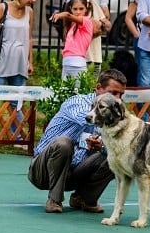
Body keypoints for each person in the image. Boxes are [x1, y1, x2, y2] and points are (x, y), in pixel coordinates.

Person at [28, 69, 127, 214]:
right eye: (113, 93)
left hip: (75, 173)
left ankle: (84, 199)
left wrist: (102, 146)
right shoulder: (78, 102)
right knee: (63, 143)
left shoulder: (114, 113)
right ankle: (54, 200)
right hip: (43, 171)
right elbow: (87, 118)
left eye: (121, 95)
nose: (118, 98)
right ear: (98, 88)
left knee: (116, 153)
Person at [50, 0, 94, 80]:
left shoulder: (87, 21)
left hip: (78, 65)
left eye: (81, 9)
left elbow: (68, 15)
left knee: (78, 92)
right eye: (75, 9)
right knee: (65, 92)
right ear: (71, 9)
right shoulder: (72, 26)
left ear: (86, 9)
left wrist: (61, 15)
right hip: (66, 63)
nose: (78, 12)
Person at [75, 0, 110, 72]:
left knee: (92, 87)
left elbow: (108, 24)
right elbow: (92, 29)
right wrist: (98, 25)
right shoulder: (77, 4)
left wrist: (100, 25)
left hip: (95, 57)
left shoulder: (93, 2)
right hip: (83, 58)